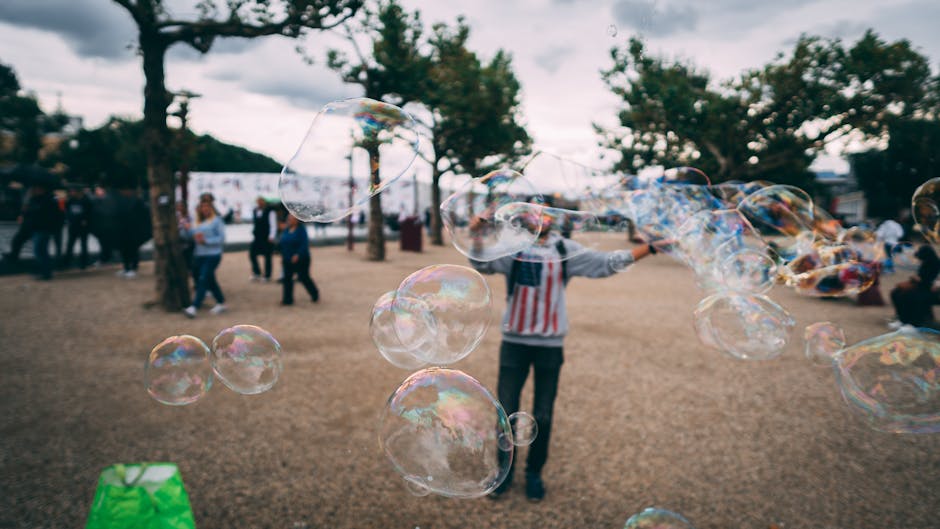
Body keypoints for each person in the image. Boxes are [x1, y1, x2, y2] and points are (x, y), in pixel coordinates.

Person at [468, 212, 669, 502]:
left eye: (545, 212)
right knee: (506, 410)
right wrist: (476, 234)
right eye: (534, 212)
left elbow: (606, 264)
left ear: (553, 221)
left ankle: (534, 473)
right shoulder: (513, 247)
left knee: (544, 415)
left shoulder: (565, 250)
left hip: (550, 344)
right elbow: (480, 262)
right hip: (514, 343)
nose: (540, 216)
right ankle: (505, 472)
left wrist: (650, 248)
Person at [184, 199, 227, 318]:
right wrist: (187, 229)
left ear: (211, 208)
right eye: (202, 207)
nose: (205, 209)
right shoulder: (196, 222)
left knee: (203, 278)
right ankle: (221, 302)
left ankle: (194, 307)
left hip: (213, 255)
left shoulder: (217, 221)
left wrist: (206, 241)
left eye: (207, 207)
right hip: (199, 255)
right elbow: (191, 236)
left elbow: (221, 239)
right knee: (209, 279)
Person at [889, 244, 940, 328]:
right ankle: (903, 319)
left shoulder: (935, 263)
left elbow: (931, 280)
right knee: (896, 292)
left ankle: (913, 323)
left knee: (911, 296)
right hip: (923, 287)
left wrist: (934, 284)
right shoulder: (926, 262)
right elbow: (922, 277)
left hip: (932, 290)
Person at [278, 213, 320, 305]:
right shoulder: (286, 230)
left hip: (302, 259)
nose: (289, 220)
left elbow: (304, 244)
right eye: (288, 218)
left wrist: (297, 255)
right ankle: (287, 300)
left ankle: (315, 293)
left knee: (304, 277)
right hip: (287, 258)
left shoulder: (301, 230)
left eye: (291, 218)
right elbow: (283, 243)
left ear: (297, 220)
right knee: (287, 279)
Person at [23, 184, 62, 280]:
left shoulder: (48, 200)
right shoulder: (35, 199)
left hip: (43, 228)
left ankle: (45, 272)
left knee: (40, 250)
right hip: (37, 228)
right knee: (40, 250)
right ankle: (44, 272)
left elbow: (49, 215)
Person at [114, 187, 151, 278]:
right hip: (124, 230)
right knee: (124, 249)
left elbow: (144, 215)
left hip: (134, 230)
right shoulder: (122, 201)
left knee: (133, 249)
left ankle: (133, 267)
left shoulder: (137, 202)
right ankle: (126, 267)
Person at [62, 186, 93, 269]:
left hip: (83, 226)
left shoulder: (86, 201)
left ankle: (83, 263)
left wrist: (86, 220)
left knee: (83, 244)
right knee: (70, 244)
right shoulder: (71, 201)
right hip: (73, 225)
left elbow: (90, 212)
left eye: (73, 191)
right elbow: (67, 211)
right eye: (71, 191)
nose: (72, 193)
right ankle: (66, 262)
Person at [249, 197, 276, 282]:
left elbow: (273, 225)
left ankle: (267, 275)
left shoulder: (270, 211)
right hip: (257, 236)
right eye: (258, 200)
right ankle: (257, 272)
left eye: (261, 200)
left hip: (266, 236)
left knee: (267, 256)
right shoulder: (255, 211)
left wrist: (271, 236)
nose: (259, 202)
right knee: (252, 254)